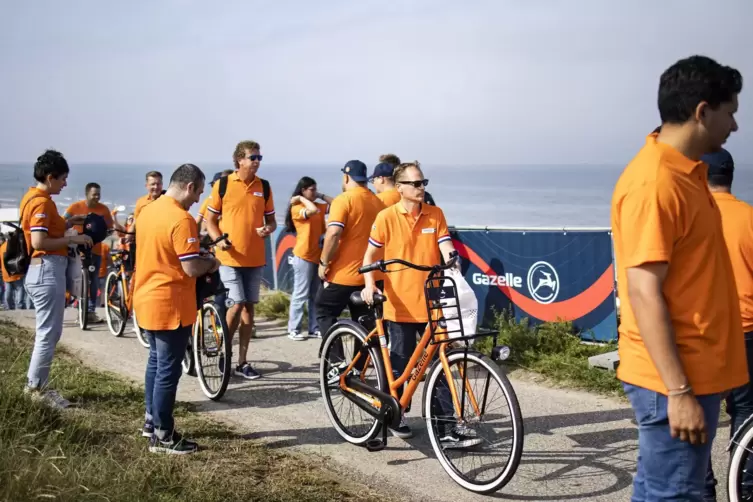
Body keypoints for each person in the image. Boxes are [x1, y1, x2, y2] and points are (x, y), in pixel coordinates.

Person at [611, 55, 745, 500]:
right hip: (673, 376)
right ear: (702, 111)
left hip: (692, 371)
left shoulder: (686, 175)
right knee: (675, 494)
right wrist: (679, 392)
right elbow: (644, 291)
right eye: (731, 112)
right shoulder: (656, 182)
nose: (735, 127)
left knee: (662, 488)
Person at [360, 162, 481, 447]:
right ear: (399, 186)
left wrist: (453, 259)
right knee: (401, 365)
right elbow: (369, 256)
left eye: (423, 182)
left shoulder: (435, 214)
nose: (421, 187)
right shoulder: (386, 217)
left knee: (440, 362)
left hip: (432, 301)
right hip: (399, 304)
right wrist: (369, 285)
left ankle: (447, 428)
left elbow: (445, 244)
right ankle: (396, 412)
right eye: (415, 183)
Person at [133, 163, 220, 454]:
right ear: (190, 186)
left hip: (146, 296)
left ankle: (150, 423)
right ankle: (164, 435)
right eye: (198, 192)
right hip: (170, 302)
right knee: (168, 370)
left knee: (155, 362)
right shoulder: (182, 219)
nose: (198, 200)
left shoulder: (148, 210)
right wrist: (212, 262)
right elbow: (191, 266)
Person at [21, 149, 93, 408]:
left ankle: (36, 385)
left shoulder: (34, 197)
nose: (64, 184)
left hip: (43, 269)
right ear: (50, 177)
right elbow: (39, 240)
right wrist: (73, 237)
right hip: (46, 269)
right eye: (62, 178)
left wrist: (66, 223)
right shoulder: (41, 202)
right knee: (48, 333)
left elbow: (43, 231)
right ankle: (37, 390)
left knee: (48, 332)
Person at [703, 148, 753, 500]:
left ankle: (703, 489)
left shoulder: (691, 221)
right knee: (747, 412)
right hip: (747, 330)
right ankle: (746, 487)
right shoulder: (750, 218)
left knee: (700, 415)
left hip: (702, 332)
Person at [204, 140, 276, 380]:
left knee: (248, 310)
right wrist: (218, 240)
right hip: (228, 257)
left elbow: (272, 221)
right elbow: (210, 220)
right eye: (252, 157)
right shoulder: (223, 185)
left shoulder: (264, 187)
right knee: (236, 305)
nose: (256, 161)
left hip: (255, 258)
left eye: (259, 158)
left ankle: (242, 362)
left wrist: (268, 229)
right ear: (239, 160)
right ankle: (225, 351)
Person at [315, 160, 385, 349]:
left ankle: (336, 364)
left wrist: (323, 263)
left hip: (345, 275)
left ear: (346, 177)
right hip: (372, 275)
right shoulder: (378, 202)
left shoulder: (343, 200)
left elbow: (333, 233)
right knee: (365, 324)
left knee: (324, 311)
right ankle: (359, 372)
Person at [284, 176, 333, 341]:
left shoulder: (318, 204)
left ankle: (314, 327)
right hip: (303, 256)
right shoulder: (296, 208)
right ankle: (294, 328)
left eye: (315, 189)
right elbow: (311, 211)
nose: (314, 192)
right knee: (301, 293)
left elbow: (335, 204)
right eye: (311, 189)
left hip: (316, 256)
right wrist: (301, 199)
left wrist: (319, 194)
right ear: (303, 191)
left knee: (315, 295)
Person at [64, 183, 120, 323]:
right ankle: (79, 308)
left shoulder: (103, 209)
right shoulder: (75, 208)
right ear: (87, 194)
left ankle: (90, 311)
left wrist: (101, 235)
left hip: (95, 250)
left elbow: (110, 228)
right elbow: (62, 221)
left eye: (99, 194)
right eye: (94, 194)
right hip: (76, 250)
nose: (97, 197)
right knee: (76, 279)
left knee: (94, 280)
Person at [195, 169, 234, 234]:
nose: (213, 187)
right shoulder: (209, 199)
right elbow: (198, 220)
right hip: (208, 235)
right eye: (213, 185)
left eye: (215, 185)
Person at [1, 236, 28, 310]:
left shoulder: (2, 246)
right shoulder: (18, 244)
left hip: (7, 274)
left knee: (8, 292)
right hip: (17, 272)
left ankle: (10, 307)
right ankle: (19, 306)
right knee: (19, 290)